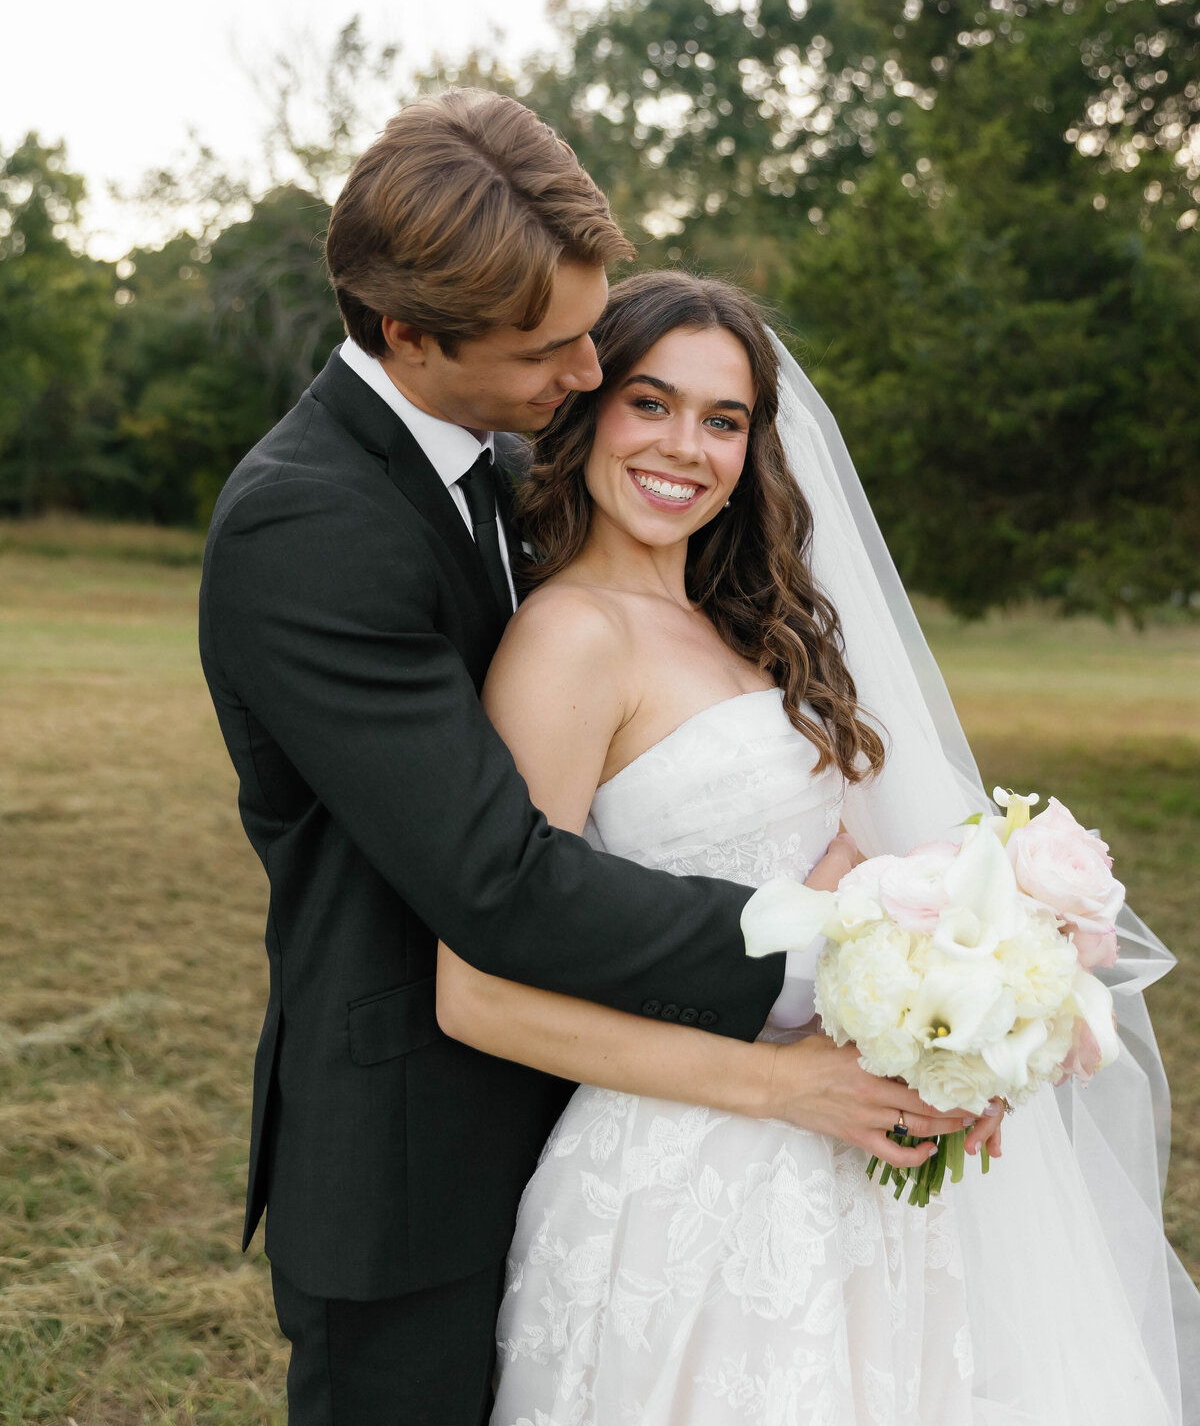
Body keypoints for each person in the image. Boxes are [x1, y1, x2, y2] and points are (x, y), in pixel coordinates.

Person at [197, 92, 965, 1426]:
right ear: (407, 333)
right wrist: (832, 946)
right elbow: (498, 881)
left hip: (601, 1110)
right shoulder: (306, 526)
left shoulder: (492, 482)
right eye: (553, 350)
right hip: (411, 1152)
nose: (586, 374)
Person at [436, 269, 1200, 1424]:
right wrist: (782, 1089)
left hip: (853, 1160)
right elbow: (479, 995)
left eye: (723, 419)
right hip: (690, 1179)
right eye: (651, 402)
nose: (684, 446)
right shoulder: (566, 641)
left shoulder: (743, 629)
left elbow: (835, 882)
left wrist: (963, 1029)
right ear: (588, 411)